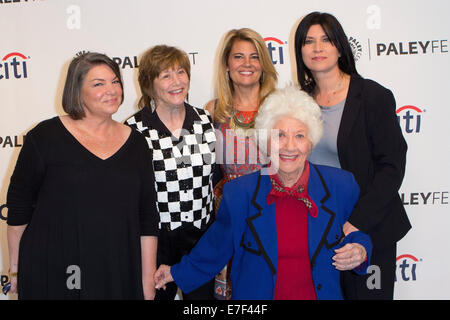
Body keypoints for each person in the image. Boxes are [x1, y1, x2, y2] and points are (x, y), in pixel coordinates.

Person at [154, 86, 372, 300]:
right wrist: (174, 273)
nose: (289, 146)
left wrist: (360, 251)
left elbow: (359, 233)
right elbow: (215, 248)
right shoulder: (240, 194)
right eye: (280, 135)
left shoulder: (341, 185)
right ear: (266, 141)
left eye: (299, 136)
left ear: (310, 143)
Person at [6, 52, 158, 300]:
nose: (111, 90)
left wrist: (146, 283)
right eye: (98, 84)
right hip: (54, 272)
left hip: (116, 272)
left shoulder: (137, 144)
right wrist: (15, 269)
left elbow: (147, 219)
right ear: (77, 91)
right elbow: (19, 210)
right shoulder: (44, 138)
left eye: (115, 81)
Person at [294, 11, 412, 300]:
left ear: (340, 46)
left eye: (326, 39)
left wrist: (357, 222)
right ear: (300, 51)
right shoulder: (299, 102)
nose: (318, 48)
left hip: (369, 226)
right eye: (309, 41)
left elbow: (391, 167)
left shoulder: (373, 97)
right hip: (318, 231)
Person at [125, 45, 217, 300]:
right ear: (149, 84)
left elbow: (217, 177)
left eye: (180, 72)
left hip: (200, 239)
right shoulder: (134, 130)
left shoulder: (206, 120)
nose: (176, 82)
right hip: (157, 241)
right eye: (165, 75)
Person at [203, 27, 278, 299]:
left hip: (272, 214)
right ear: (226, 65)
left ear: (263, 65)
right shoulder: (213, 111)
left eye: (254, 57)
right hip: (230, 216)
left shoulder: (279, 106)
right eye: (238, 57)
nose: (247, 64)